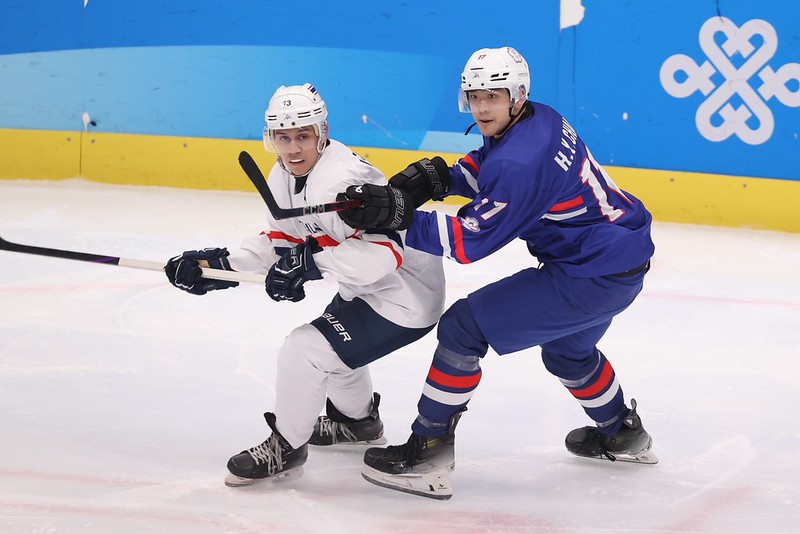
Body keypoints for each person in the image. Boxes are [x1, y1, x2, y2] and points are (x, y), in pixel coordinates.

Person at [337, 47, 658, 500]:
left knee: (462, 327)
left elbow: (470, 241)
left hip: (589, 275)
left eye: (493, 96)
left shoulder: (520, 161)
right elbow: (494, 167)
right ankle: (623, 432)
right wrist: (442, 178)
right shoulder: (540, 118)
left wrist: (399, 217)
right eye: (474, 96)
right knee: (568, 353)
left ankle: (427, 449)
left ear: (517, 95)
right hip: (619, 259)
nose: (482, 107)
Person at [164, 83, 445, 487]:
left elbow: (384, 256)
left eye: (303, 136)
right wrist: (214, 268)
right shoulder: (282, 175)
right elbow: (283, 242)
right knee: (335, 352)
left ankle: (287, 447)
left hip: (405, 295)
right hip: (367, 290)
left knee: (304, 350)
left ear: (322, 133)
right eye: (283, 137)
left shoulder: (344, 179)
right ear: (270, 138)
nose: (293, 148)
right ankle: (357, 423)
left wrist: (310, 265)